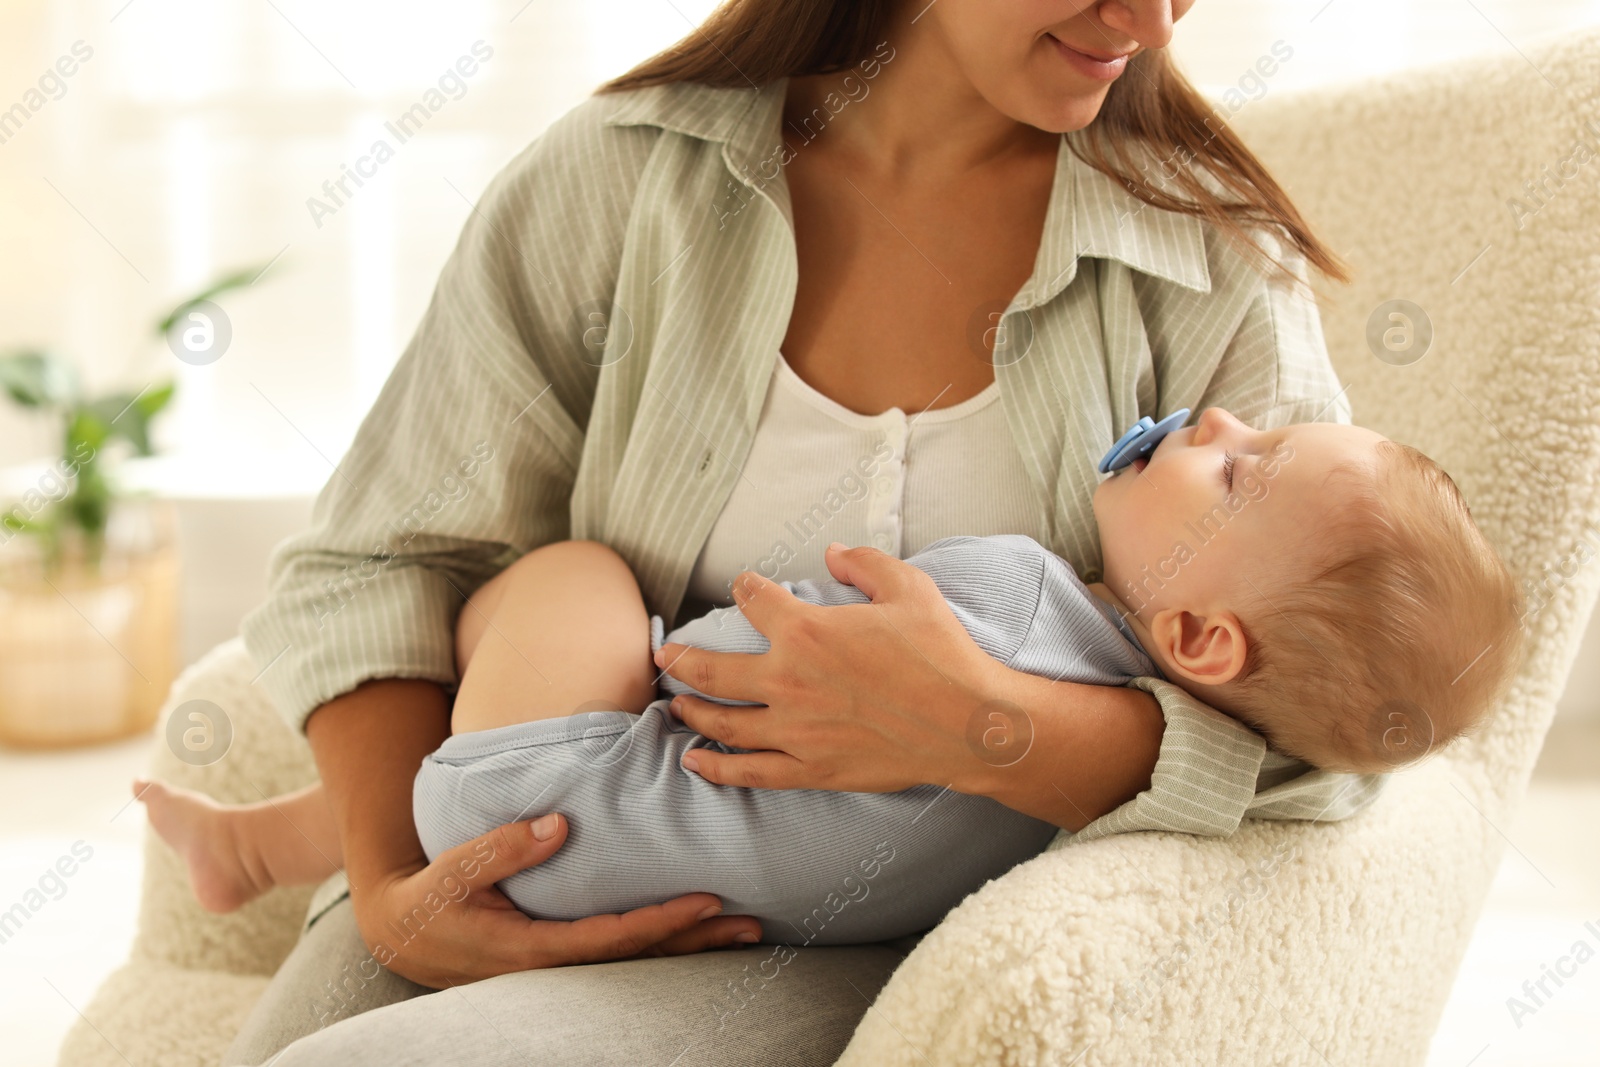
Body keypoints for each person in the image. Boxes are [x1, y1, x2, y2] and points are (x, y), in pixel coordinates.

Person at [219, 1, 1400, 1062]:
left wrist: (993, 731)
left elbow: (1339, 714)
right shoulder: (620, 180)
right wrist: (389, 883)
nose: (1149, 23)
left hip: (909, 943)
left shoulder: (1205, 253)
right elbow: (388, 559)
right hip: (524, 848)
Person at [139, 409, 1523, 943]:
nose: (1214, 415)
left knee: (574, 579)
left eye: (1239, 464)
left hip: (559, 799)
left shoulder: (1013, 594)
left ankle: (309, 798)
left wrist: (703, 638)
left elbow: (727, 670)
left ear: (1206, 640)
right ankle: (258, 845)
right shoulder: (1102, 798)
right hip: (656, 886)